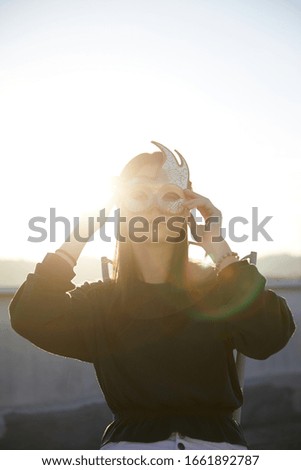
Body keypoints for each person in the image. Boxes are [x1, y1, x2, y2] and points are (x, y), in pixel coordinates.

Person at [9, 141, 295, 450]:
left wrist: (218, 247)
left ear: (187, 208)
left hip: (215, 448)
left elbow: (271, 335)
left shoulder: (220, 292)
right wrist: (80, 233)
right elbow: (31, 314)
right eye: (138, 194)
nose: (154, 205)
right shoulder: (100, 304)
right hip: (131, 450)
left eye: (169, 194)